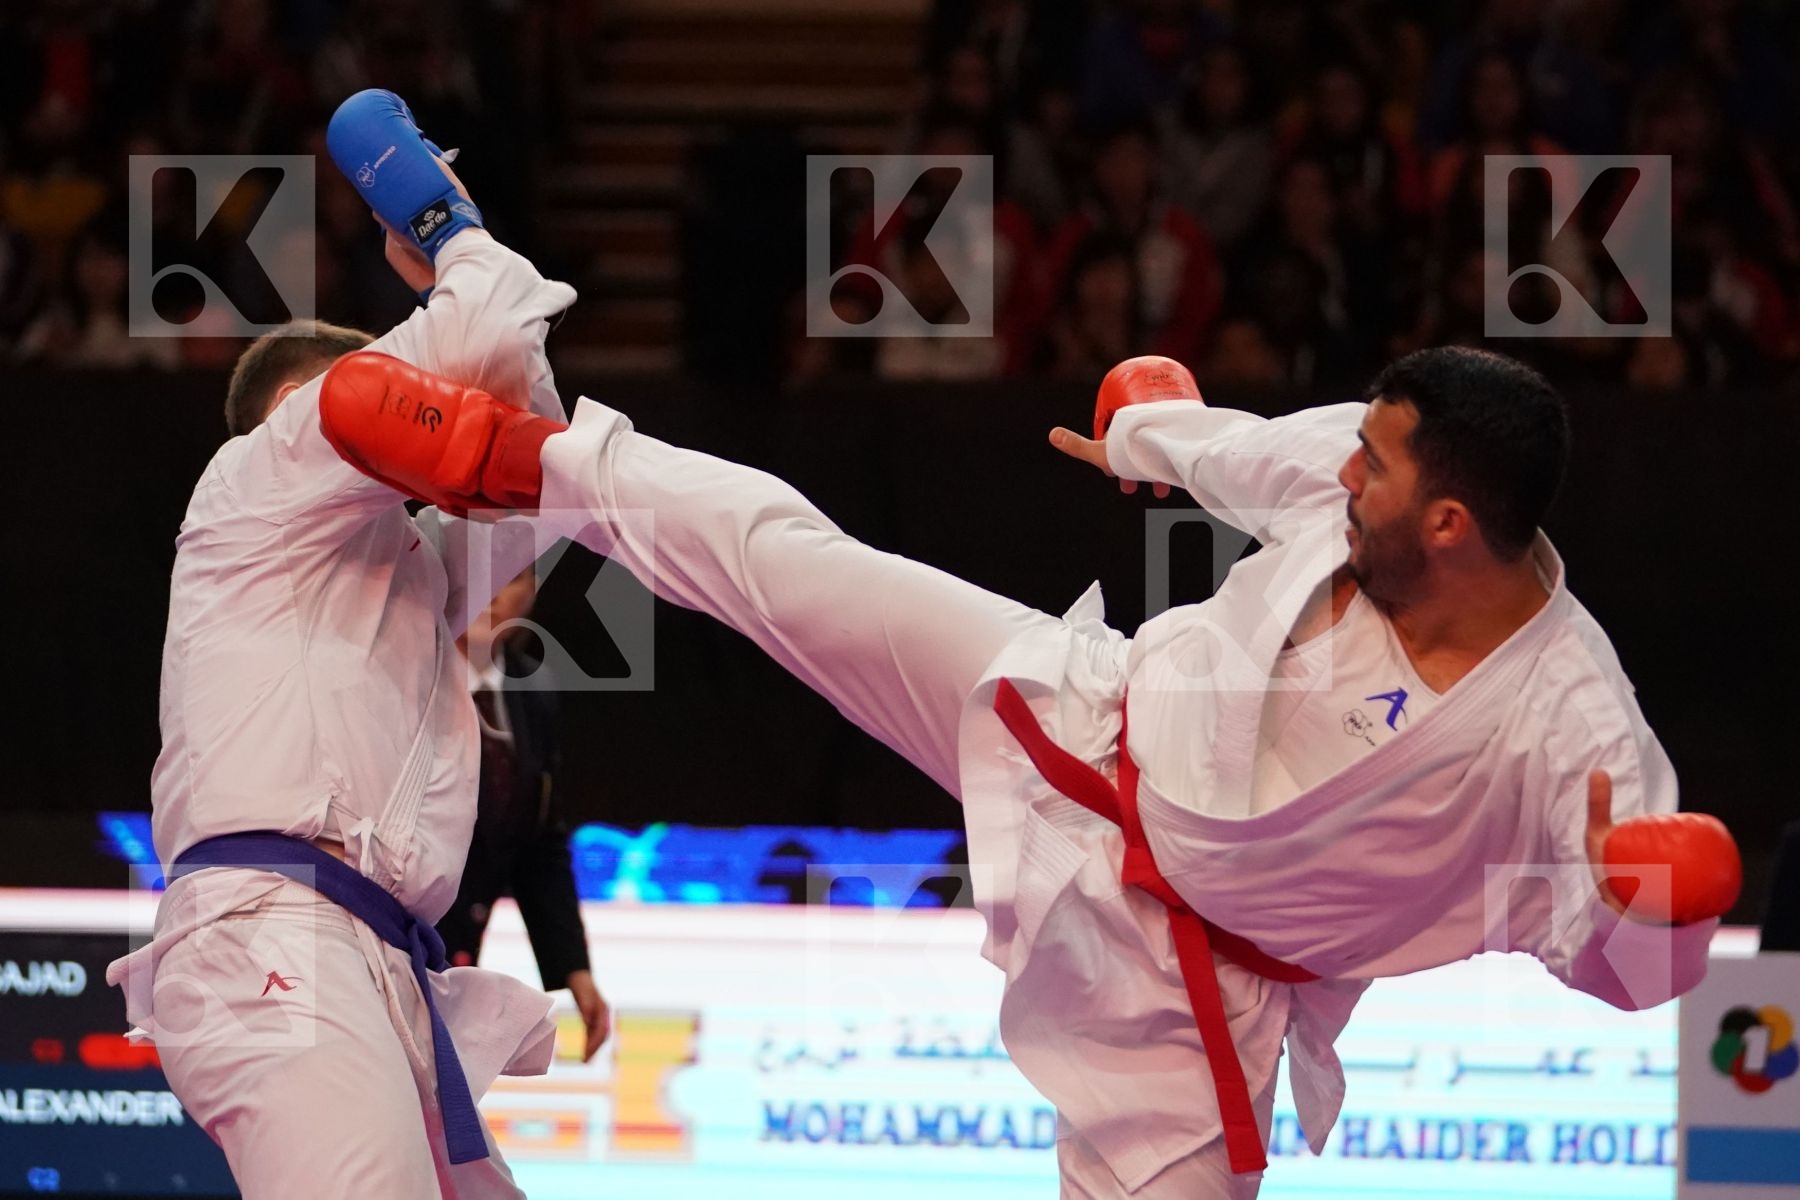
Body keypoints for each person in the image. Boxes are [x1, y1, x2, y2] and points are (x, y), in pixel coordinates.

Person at [323, 346, 1738, 1198]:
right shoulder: (1356, 473)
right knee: (802, 569)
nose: (1343, 474)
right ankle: (517, 455)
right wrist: (1144, 427)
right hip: (1085, 725)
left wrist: (1649, 909)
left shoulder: (1576, 730)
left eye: (1373, 469)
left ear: (1446, 519)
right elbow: (1243, 456)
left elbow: (1625, 977)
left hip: (1206, 1006)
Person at [107, 89, 575, 1198]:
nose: (417, 406)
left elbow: (547, 476)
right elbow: (486, 329)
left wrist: (460, 263)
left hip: (371, 964)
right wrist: (446, 227)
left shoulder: (403, 566)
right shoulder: (253, 477)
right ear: (298, 409)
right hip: (280, 935)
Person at [438, 568, 611, 1063]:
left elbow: (537, 842)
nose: (491, 592)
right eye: (477, 570)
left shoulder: (532, 692)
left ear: (531, 594)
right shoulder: (395, 674)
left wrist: (572, 968)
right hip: (376, 948)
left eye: (511, 576)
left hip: (457, 962)